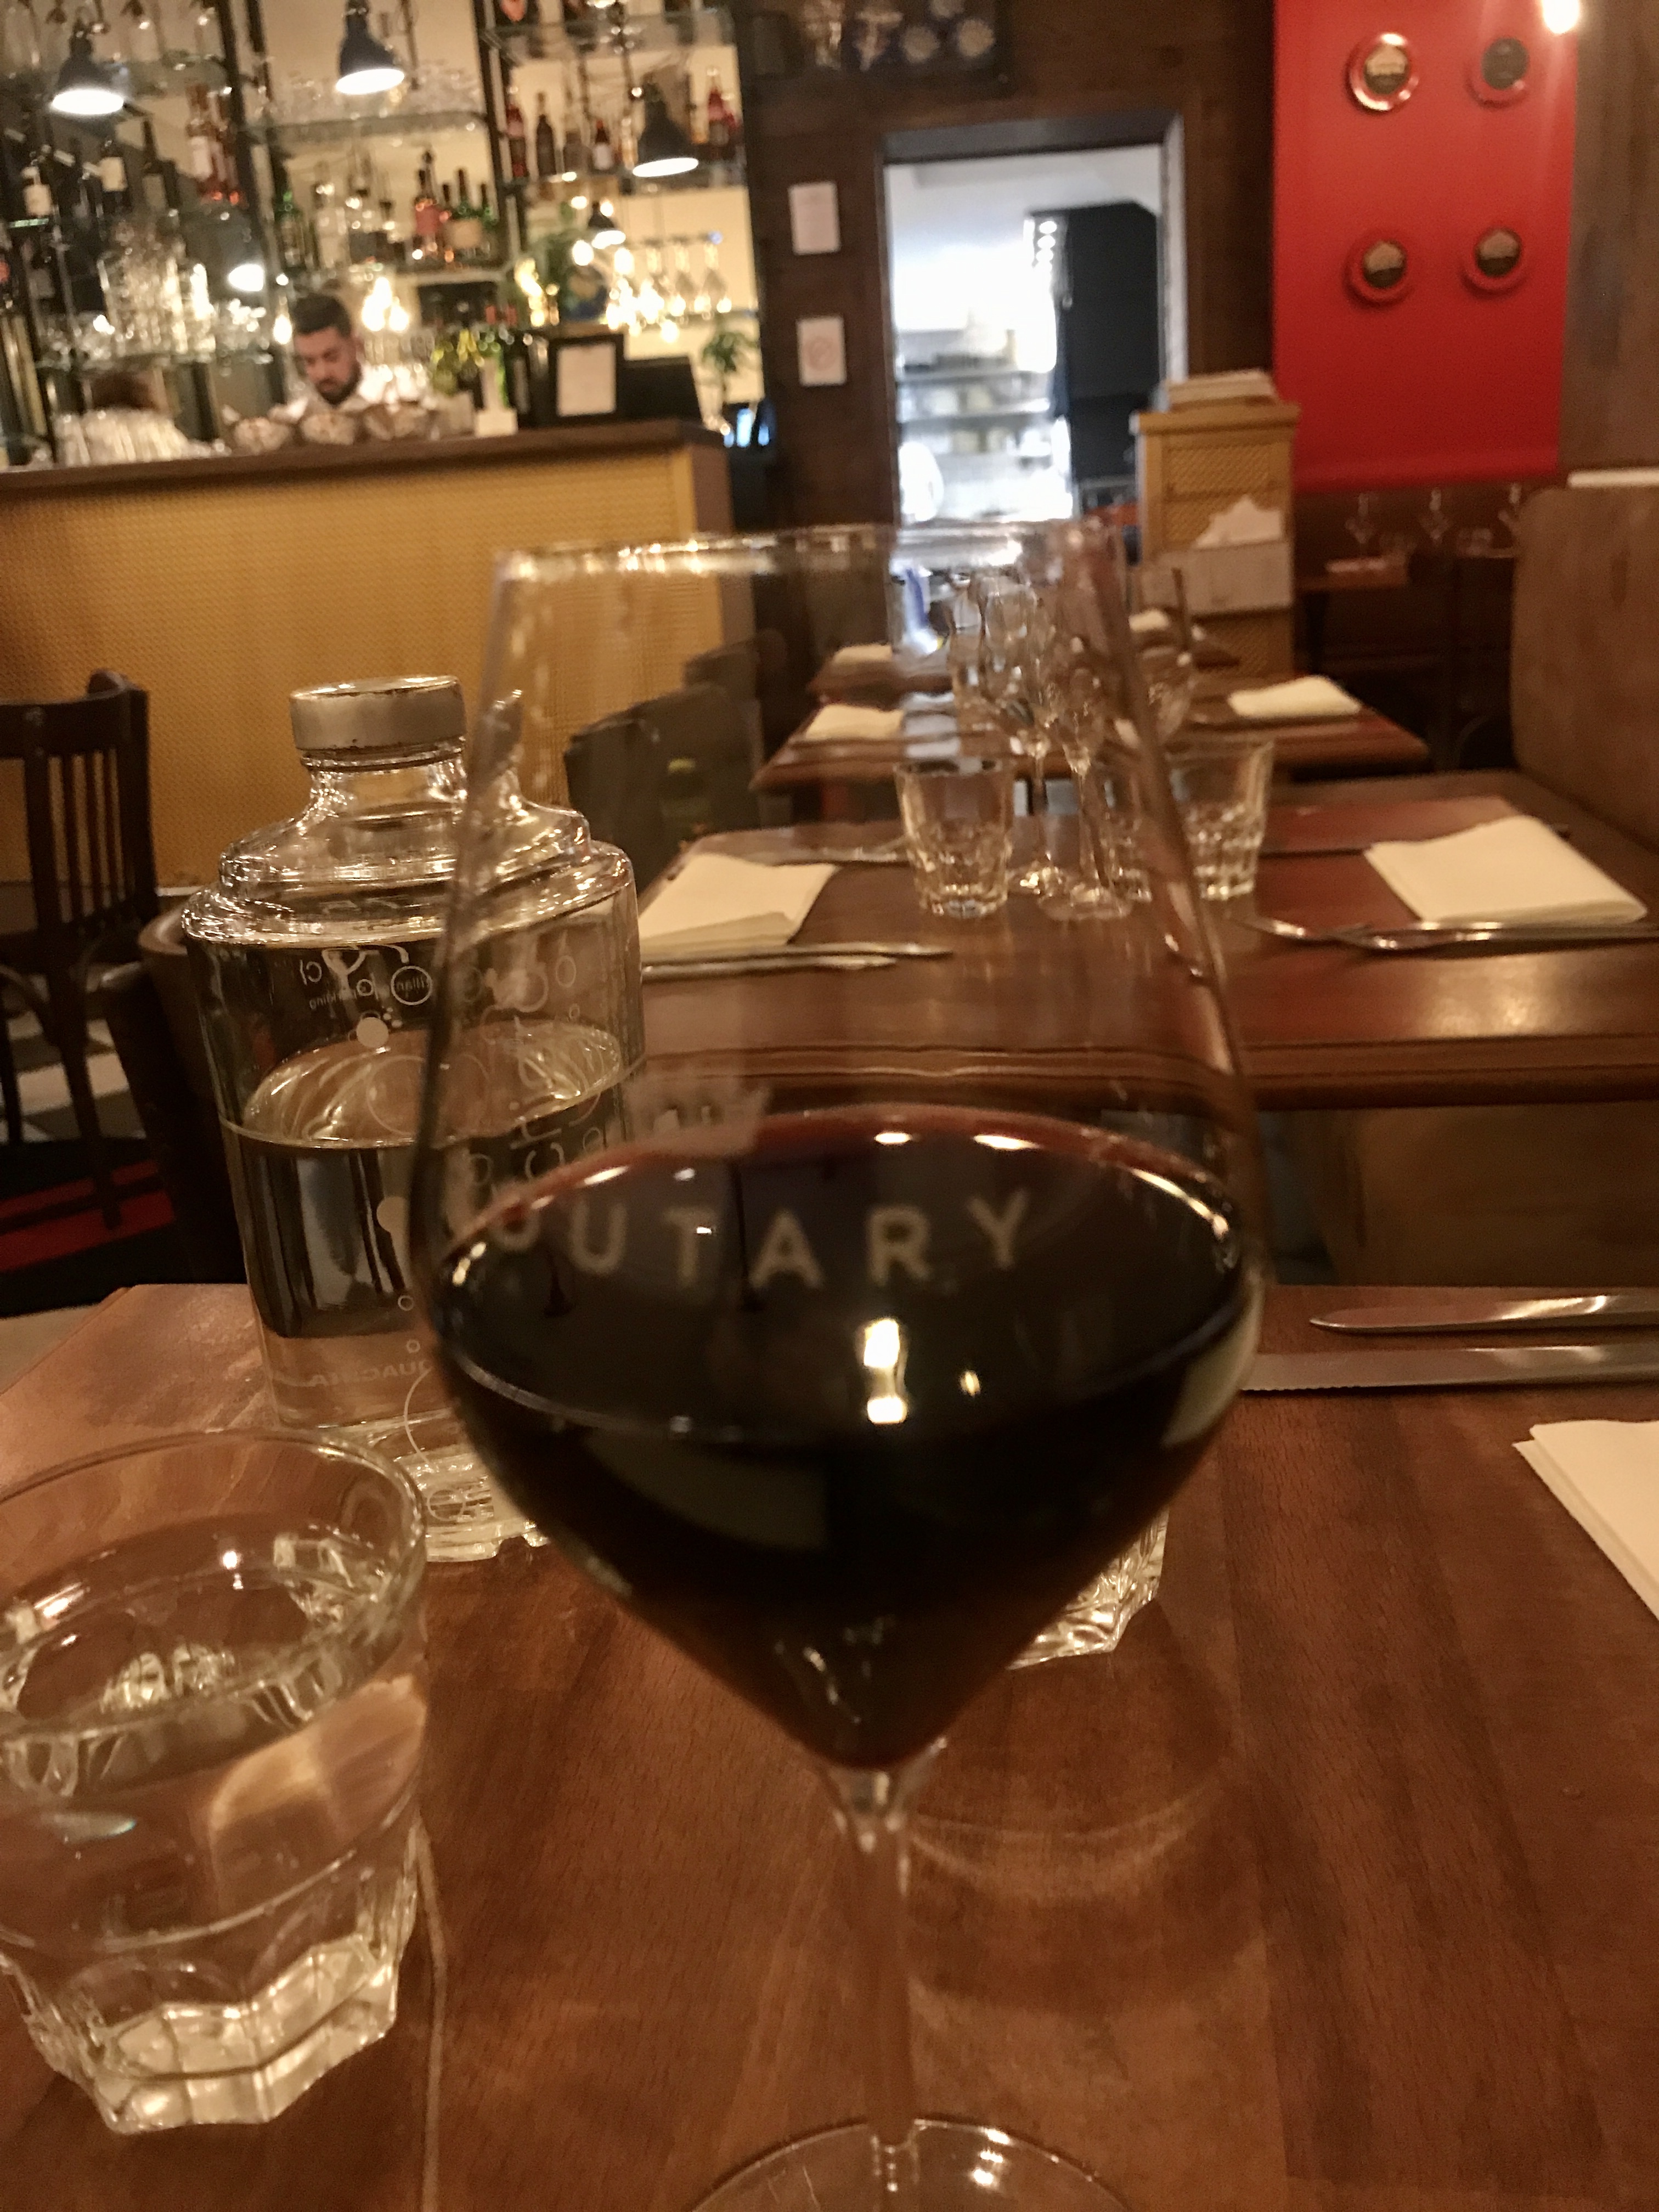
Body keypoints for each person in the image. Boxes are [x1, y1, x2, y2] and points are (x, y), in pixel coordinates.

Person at [289, 292, 369, 409]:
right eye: (310, 362)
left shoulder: (392, 404)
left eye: (332, 358)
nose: (322, 374)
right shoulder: (298, 414)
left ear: (356, 345)